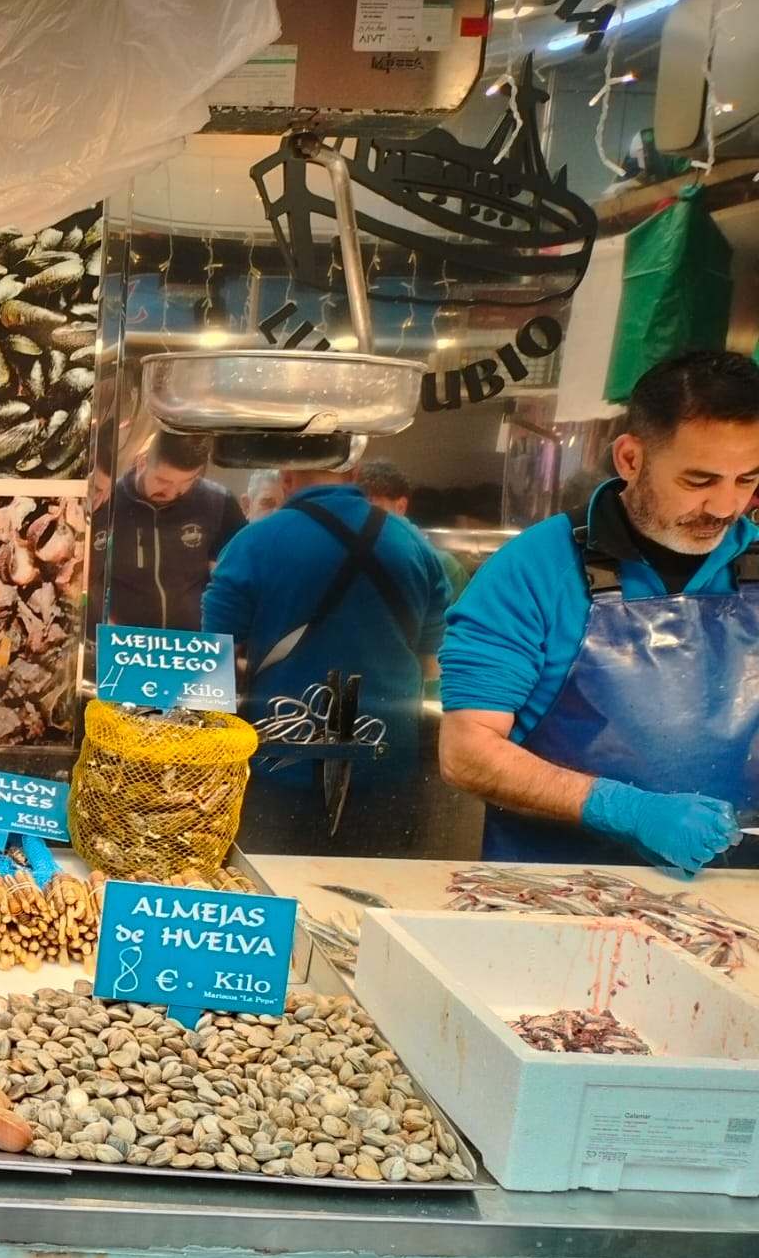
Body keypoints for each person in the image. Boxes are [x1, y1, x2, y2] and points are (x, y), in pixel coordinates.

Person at [439, 349, 759, 874]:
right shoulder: (535, 570)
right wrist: (627, 810)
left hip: (735, 896)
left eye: (746, 480)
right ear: (631, 458)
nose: (725, 507)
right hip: (554, 892)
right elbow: (467, 750)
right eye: (698, 481)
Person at [202, 459, 453, 850]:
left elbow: (213, 661)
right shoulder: (414, 544)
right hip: (388, 766)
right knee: (371, 893)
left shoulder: (253, 542)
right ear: (354, 475)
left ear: (286, 478)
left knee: (274, 892)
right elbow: (434, 662)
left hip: (277, 768)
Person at [89, 430, 246, 632]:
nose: (172, 493)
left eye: (186, 483)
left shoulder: (218, 503)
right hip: (124, 644)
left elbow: (230, 583)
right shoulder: (109, 503)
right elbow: (87, 583)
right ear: (142, 463)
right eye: (163, 481)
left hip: (195, 646)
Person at [357, 459, 469, 601]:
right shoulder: (341, 558)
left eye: (373, 508)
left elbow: (459, 620)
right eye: (358, 508)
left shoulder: (442, 564)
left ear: (400, 507)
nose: (363, 517)